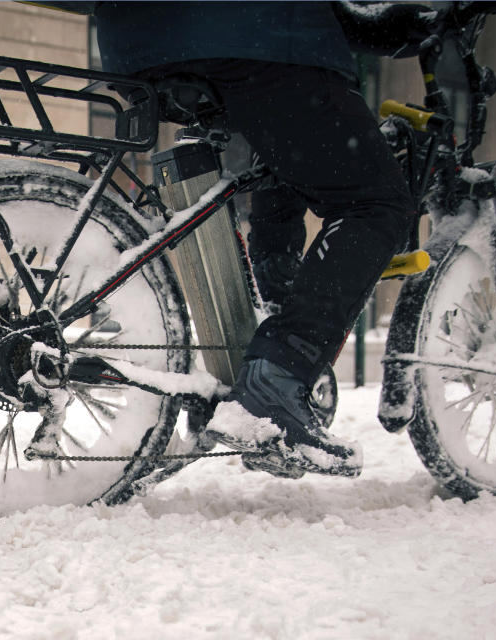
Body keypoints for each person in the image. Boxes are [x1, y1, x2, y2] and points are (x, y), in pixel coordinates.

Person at [55, 1, 436, 476]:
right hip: (255, 34)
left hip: (138, 44)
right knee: (377, 203)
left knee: (285, 152)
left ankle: (269, 319)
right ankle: (276, 378)